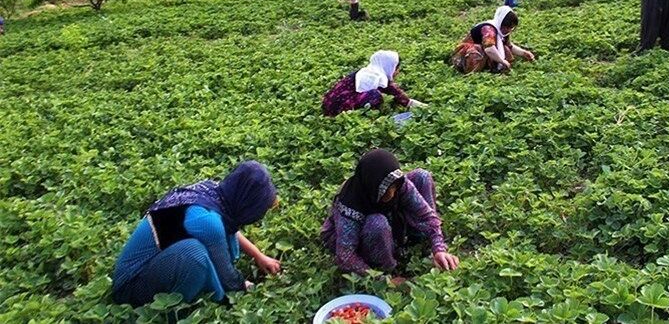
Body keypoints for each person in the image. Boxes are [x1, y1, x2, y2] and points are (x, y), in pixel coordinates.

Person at [112, 161, 281, 306]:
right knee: (194, 254)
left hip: (158, 265)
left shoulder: (213, 192)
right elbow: (227, 278)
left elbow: (219, 228)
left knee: (195, 249)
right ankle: (178, 310)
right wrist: (242, 288)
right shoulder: (209, 223)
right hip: (131, 286)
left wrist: (258, 255)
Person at [320, 149, 459, 277]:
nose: (391, 194)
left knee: (422, 177)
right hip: (366, 237)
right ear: (372, 185)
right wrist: (382, 279)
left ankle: (418, 238)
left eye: (393, 187)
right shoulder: (350, 204)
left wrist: (439, 248)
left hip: (389, 220)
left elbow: (427, 216)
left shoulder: (399, 184)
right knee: (377, 223)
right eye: (385, 188)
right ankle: (386, 265)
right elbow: (345, 257)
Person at [322, 50, 426, 117]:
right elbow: (395, 93)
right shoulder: (373, 76)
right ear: (389, 66)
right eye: (396, 68)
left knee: (380, 96)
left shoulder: (373, 72)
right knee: (375, 96)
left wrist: (422, 107)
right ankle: (363, 118)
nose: (397, 72)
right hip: (337, 110)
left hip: (329, 105)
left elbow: (398, 96)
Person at [451, 6, 534, 74]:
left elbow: (510, 46)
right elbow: (489, 49)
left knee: (505, 49)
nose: (508, 30)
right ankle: (470, 72)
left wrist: (524, 53)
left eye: (511, 28)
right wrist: (502, 61)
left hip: (484, 54)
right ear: (501, 22)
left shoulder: (502, 32)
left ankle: (493, 70)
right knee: (477, 50)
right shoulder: (489, 29)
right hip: (466, 55)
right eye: (506, 27)